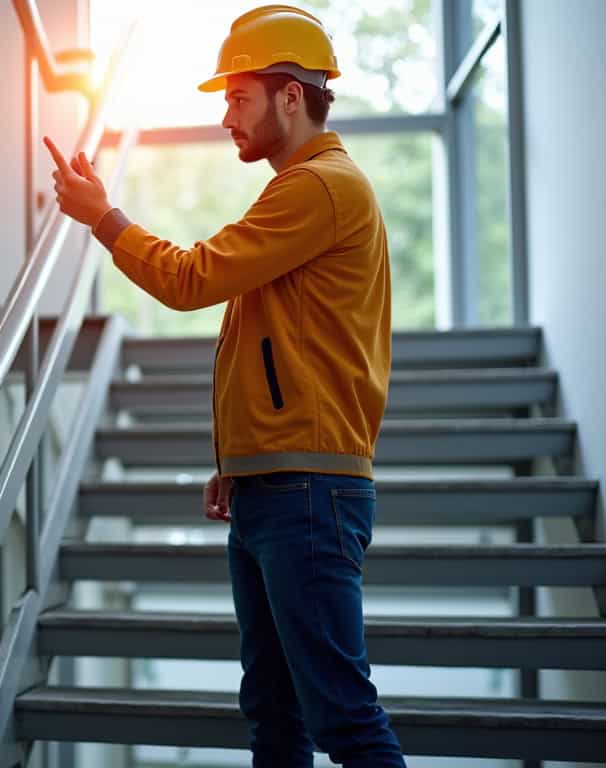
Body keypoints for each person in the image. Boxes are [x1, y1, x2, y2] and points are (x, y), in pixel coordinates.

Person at [43, 5, 406, 766]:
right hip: (276, 482)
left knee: (341, 719)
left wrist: (103, 219)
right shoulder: (303, 189)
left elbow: (190, 279)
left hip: (307, 491)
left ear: (291, 96)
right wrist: (237, 458)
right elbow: (274, 340)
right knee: (275, 716)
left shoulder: (320, 188)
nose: (225, 117)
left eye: (239, 98)